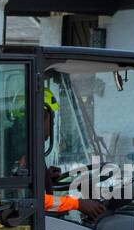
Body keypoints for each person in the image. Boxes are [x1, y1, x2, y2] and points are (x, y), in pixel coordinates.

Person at [40, 87, 105, 220]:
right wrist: (77, 204)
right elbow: (37, 202)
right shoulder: (23, 154)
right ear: (40, 117)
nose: (52, 125)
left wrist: (45, 177)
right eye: (51, 119)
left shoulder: (26, 151)